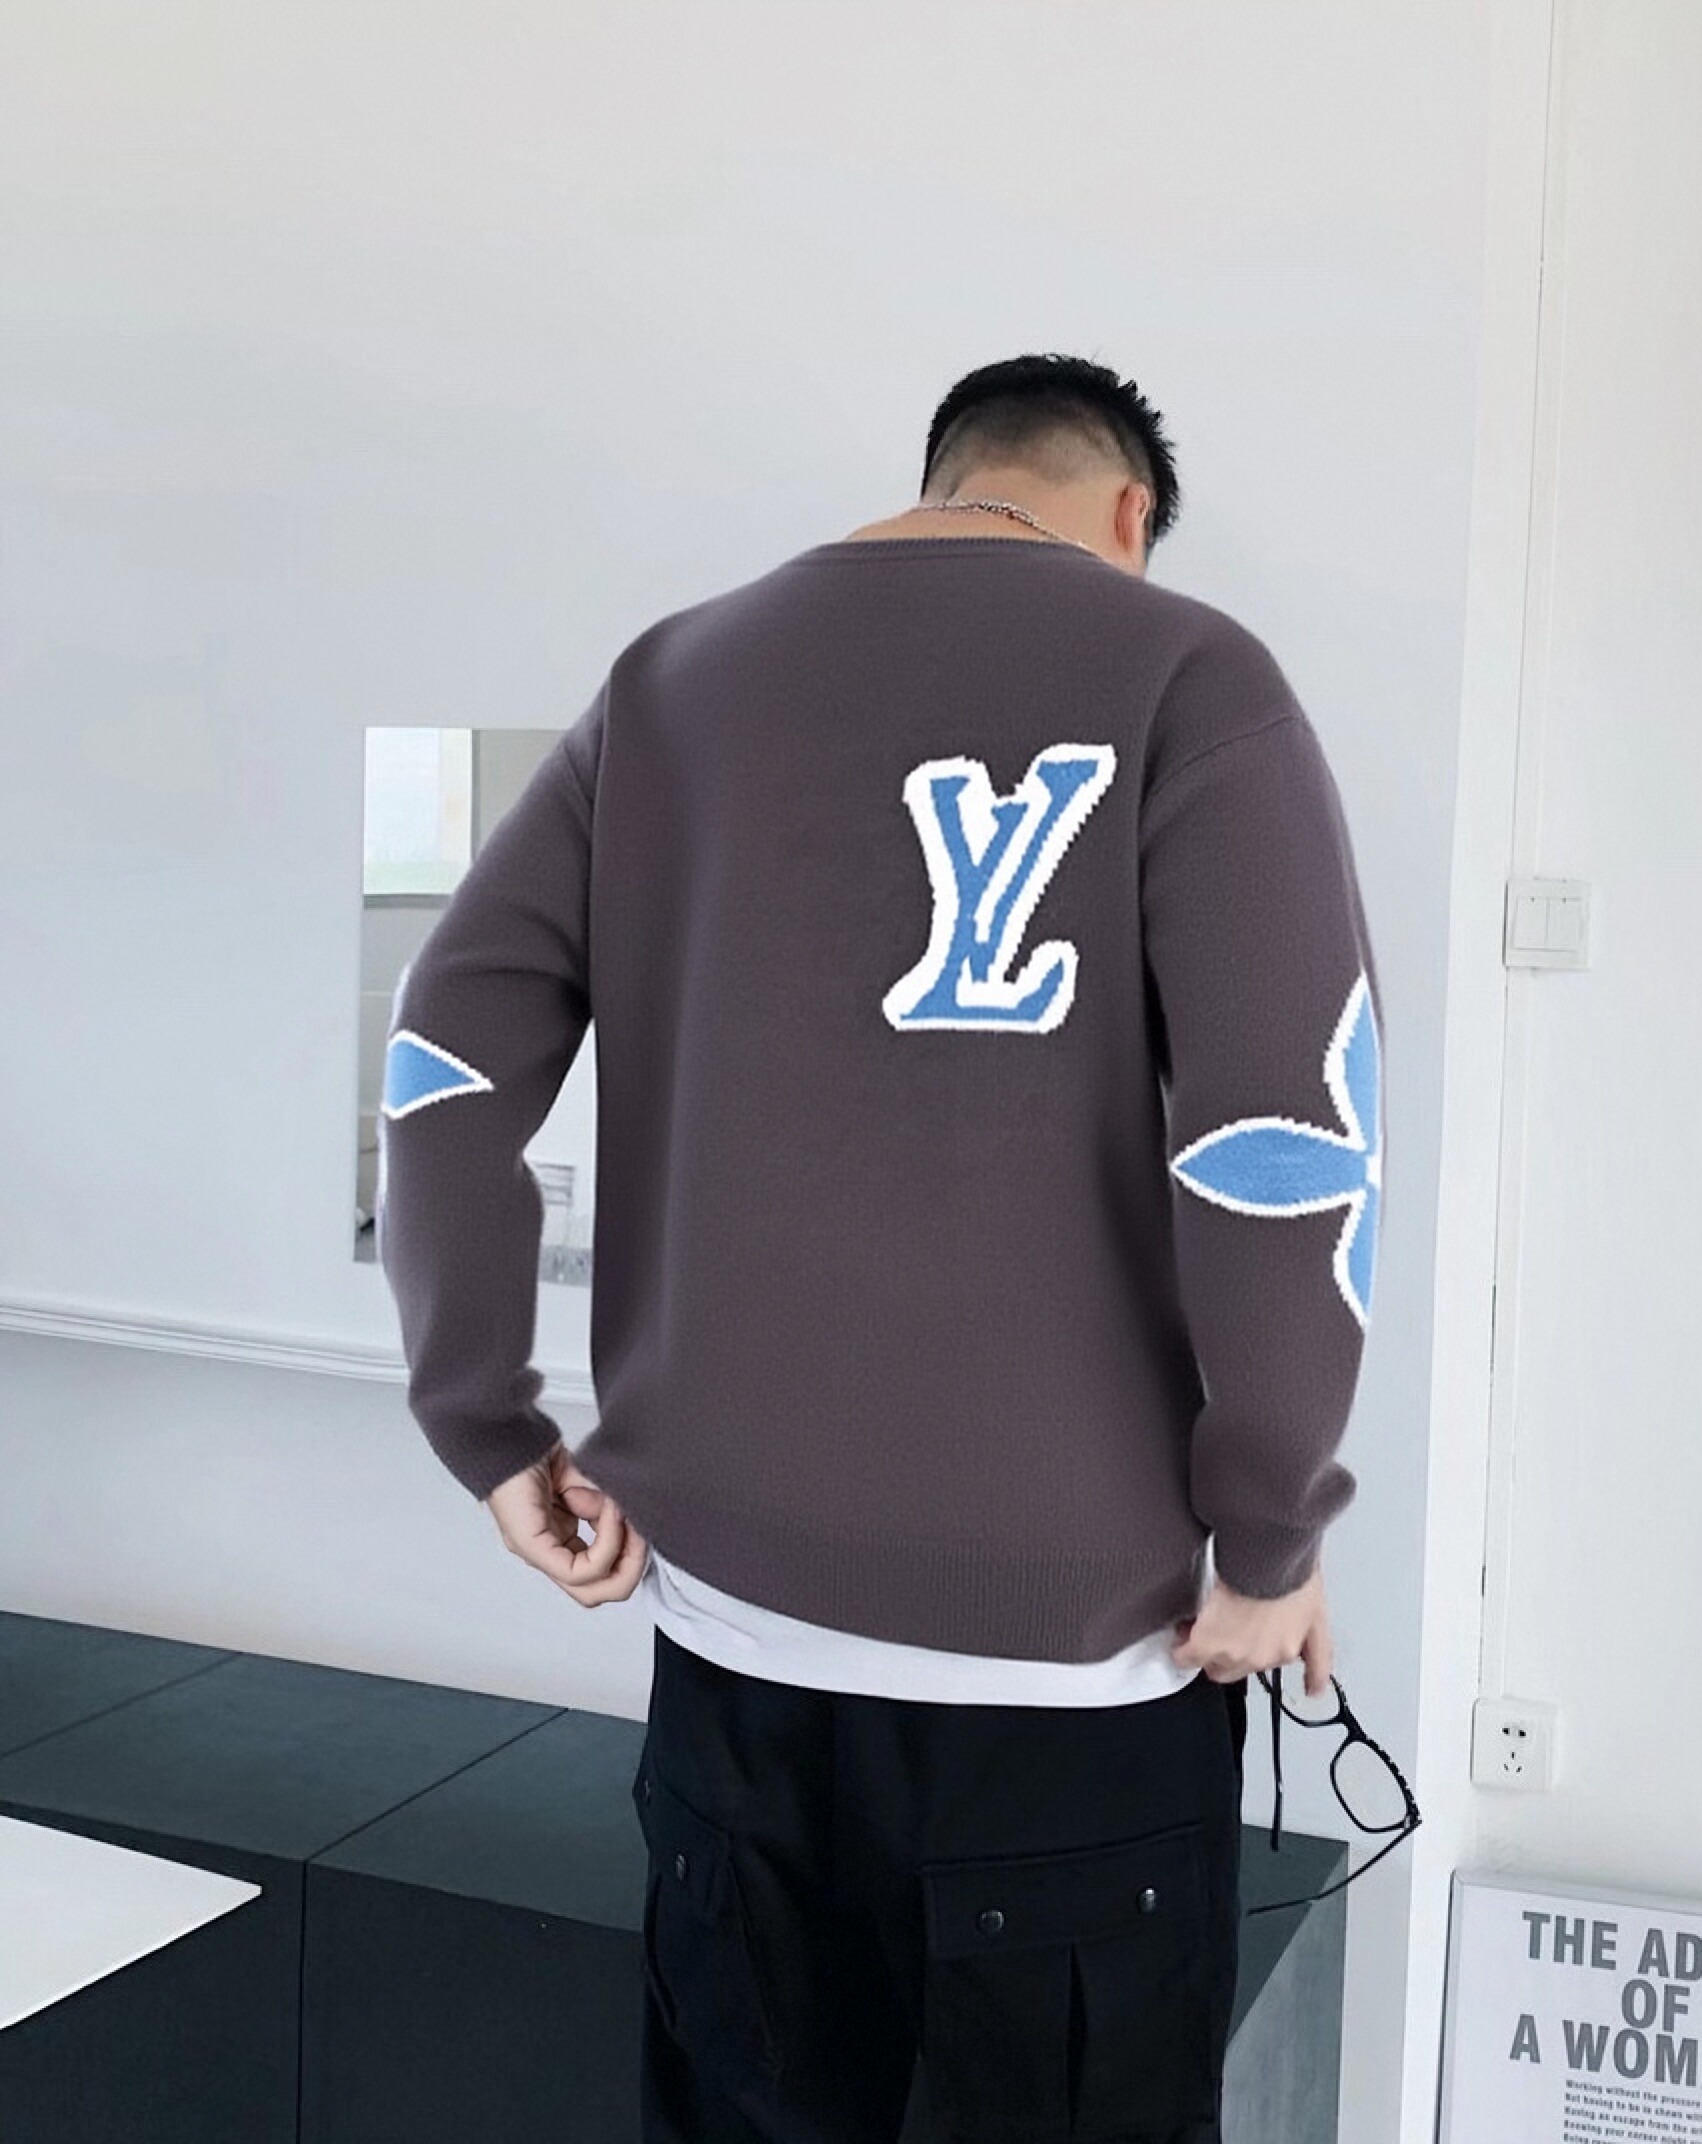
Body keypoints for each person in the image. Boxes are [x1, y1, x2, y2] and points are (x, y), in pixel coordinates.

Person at [376, 351, 1383, 2142]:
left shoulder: (667, 682)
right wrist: (1271, 1528)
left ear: (943, 472)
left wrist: (484, 1422)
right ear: (1127, 512)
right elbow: (1283, 1143)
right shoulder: (1188, 674)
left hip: (733, 1668)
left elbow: (443, 1056)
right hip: (1073, 1690)